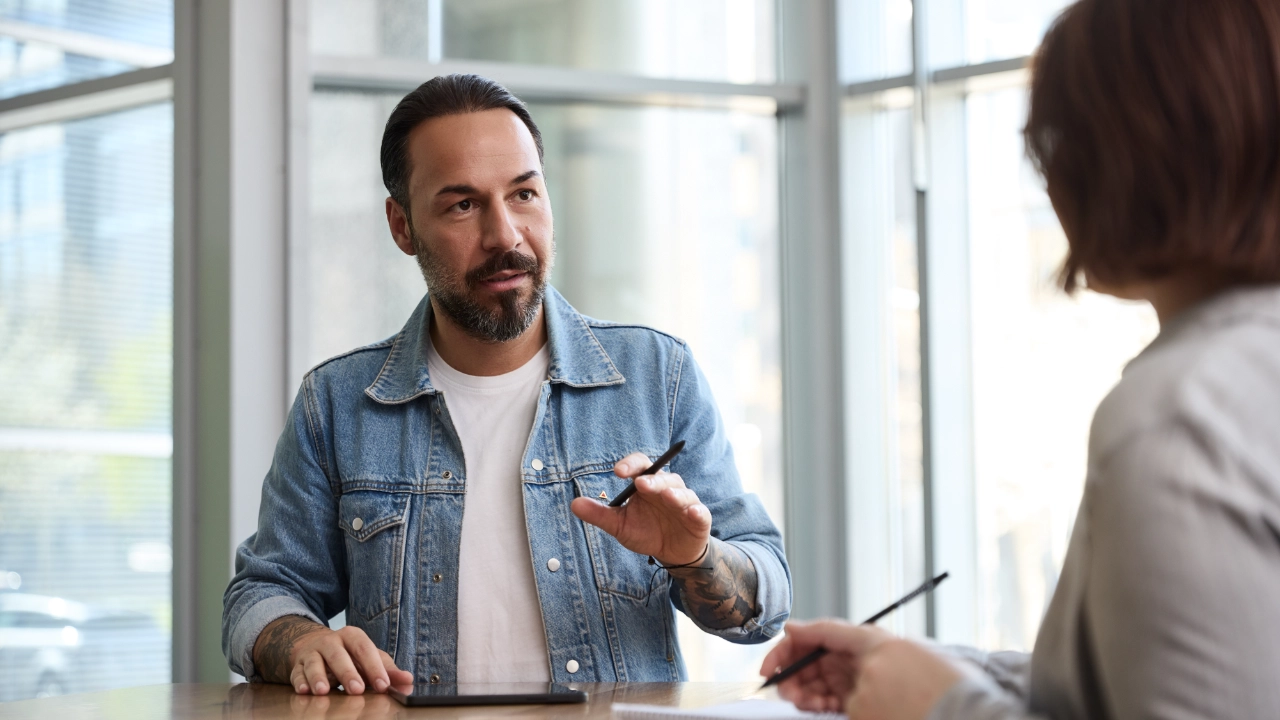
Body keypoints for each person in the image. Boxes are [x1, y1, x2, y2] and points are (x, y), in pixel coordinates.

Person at [761, 0, 1280, 718]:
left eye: (1057, 139)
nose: (1049, 175)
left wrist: (940, 707)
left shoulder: (1181, 414)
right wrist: (942, 671)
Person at [221, 74, 791, 695]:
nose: (505, 237)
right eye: (462, 205)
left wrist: (694, 557)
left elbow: (766, 599)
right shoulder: (336, 404)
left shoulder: (658, 375)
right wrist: (303, 640)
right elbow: (262, 592)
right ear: (402, 225)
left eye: (523, 194)